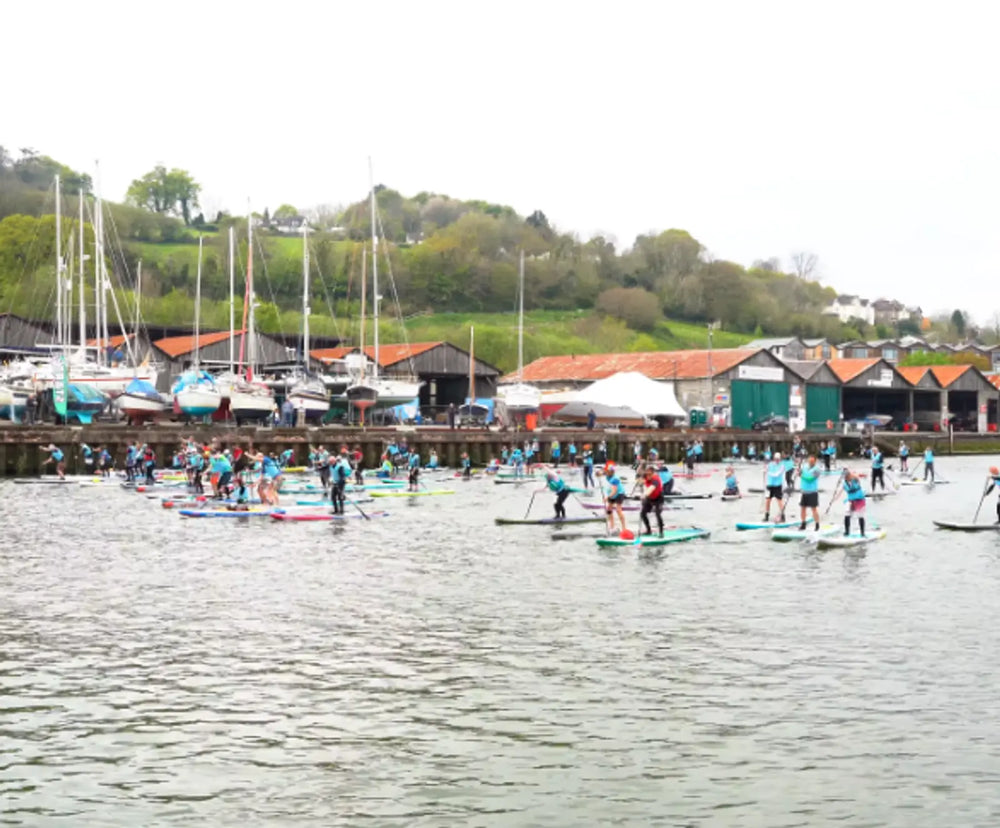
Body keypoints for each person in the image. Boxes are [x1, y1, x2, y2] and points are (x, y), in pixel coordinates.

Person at [601, 463, 628, 535]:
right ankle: (612, 526)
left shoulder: (615, 479)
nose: (606, 472)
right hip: (612, 495)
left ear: (611, 472)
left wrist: (607, 497)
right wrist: (598, 474)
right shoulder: (608, 475)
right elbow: (600, 473)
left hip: (619, 494)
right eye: (606, 471)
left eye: (607, 471)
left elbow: (614, 491)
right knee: (609, 509)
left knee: (618, 510)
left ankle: (624, 528)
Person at [797, 455, 822, 531]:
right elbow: (800, 472)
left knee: (813, 509)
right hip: (804, 491)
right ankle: (803, 524)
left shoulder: (817, 469)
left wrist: (801, 476)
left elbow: (810, 479)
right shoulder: (805, 467)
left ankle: (817, 524)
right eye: (809, 461)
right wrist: (799, 471)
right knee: (803, 508)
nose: (810, 462)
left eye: (812, 461)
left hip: (812, 492)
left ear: (815, 461)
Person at [640, 466, 664, 536]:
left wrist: (644, 495)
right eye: (647, 474)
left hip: (658, 498)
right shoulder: (645, 476)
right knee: (642, 513)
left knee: (657, 514)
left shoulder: (656, 479)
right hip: (650, 498)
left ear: (653, 473)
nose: (648, 476)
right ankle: (648, 530)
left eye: (650, 474)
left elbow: (651, 488)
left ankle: (661, 532)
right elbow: (641, 482)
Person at [842, 470, 867, 536]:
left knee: (860, 516)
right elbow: (844, 491)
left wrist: (851, 473)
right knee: (847, 515)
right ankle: (847, 531)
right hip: (850, 500)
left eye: (848, 476)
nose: (847, 478)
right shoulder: (844, 484)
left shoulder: (855, 480)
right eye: (846, 477)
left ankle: (862, 533)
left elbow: (857, 476)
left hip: (859, 500)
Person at [763, 452, 785, 522]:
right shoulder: (770, 465)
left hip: (777, 486)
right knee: (767, 501)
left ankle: (783, 516)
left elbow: (777, 474)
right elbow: (765, 471)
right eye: (776, 459)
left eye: (778, 459)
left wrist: (767, 472)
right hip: (769, 485)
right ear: (774, 458)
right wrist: (765, 471)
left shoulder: (782, 466)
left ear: (780, 459)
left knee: (779, 501)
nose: (777, 460)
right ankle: (766, 515)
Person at [331, 448, 352, 514]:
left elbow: (342, 477)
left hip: (341, 483)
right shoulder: (331, 466)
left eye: (331, 462)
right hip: (335, 483)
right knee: (333, 497)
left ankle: (341, 511)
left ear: (334, 461)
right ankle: (336, 510)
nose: (330, 463)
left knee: (340, 497)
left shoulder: (340, 467)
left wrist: (339, 484)